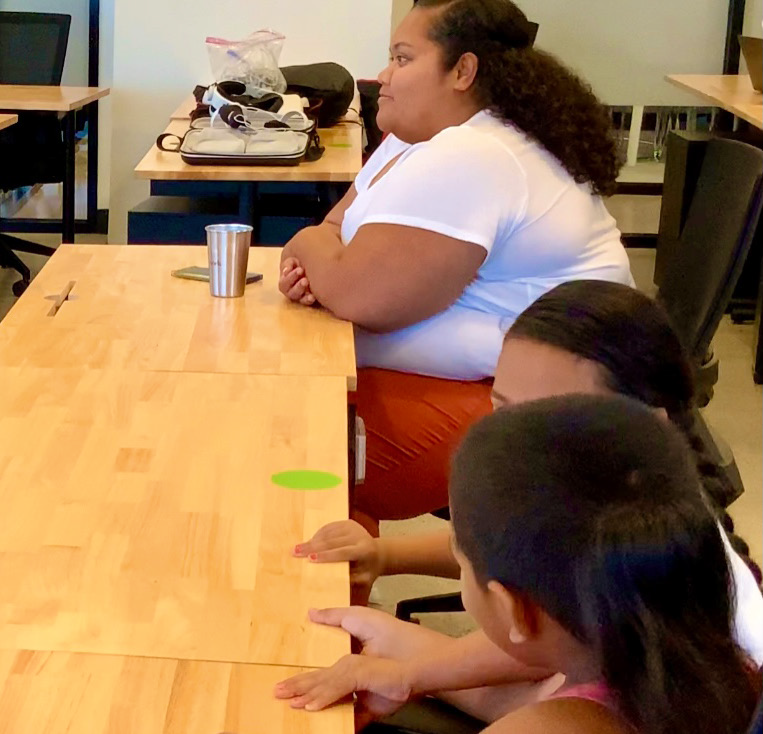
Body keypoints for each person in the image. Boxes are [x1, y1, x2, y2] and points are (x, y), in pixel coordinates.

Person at [280, 281, 763, 723]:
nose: (514, 441)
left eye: (548, 419)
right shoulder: (636, 539)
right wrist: (390, 578)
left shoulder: (706, 607)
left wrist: (412, 664)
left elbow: (541, 649)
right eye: (504, 410)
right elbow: (544, 639)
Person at [278, 0, 632, 531]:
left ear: (462, 71)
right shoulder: (413, 139)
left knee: (295, 456)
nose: (382, 76)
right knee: (287, 416)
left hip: (536, 407)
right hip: (469, 377)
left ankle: (321, 600)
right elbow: (336, 229)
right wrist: (326, 258)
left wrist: (308, 252)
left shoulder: (476, 153)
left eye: (402, 58)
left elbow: (355, 292)